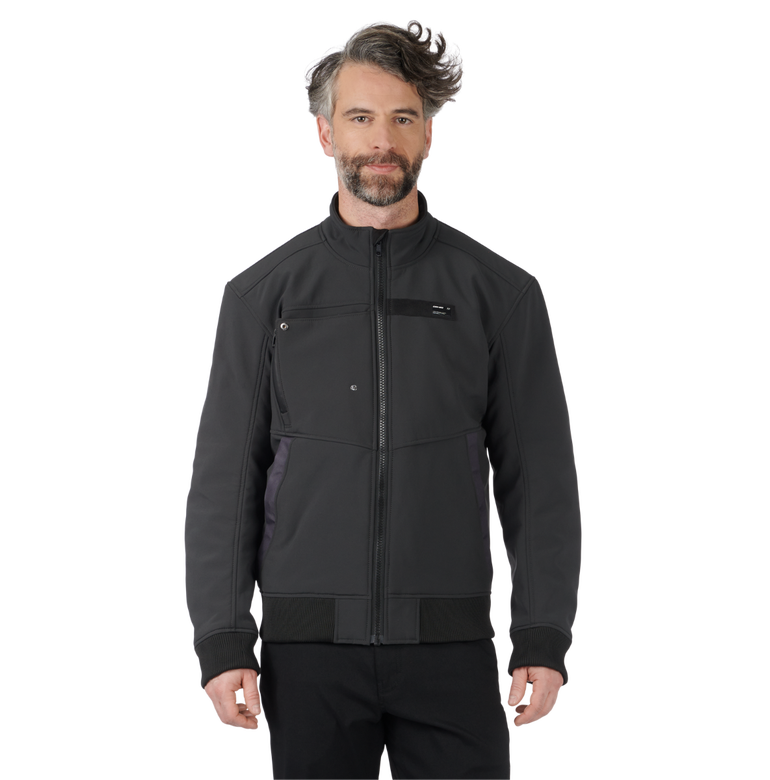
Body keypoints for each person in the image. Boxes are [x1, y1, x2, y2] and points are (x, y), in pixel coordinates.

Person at [185, 19, 581, 778]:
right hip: (306, 654)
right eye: (361, 117)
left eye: (403, 118)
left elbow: (541, 484)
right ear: (325, 134)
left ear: (428, 134)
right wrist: (224, 638)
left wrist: (542, 633)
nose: (382, 141)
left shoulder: (501, 293)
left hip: (451, 646)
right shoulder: (262, 295)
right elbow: (224, 483)